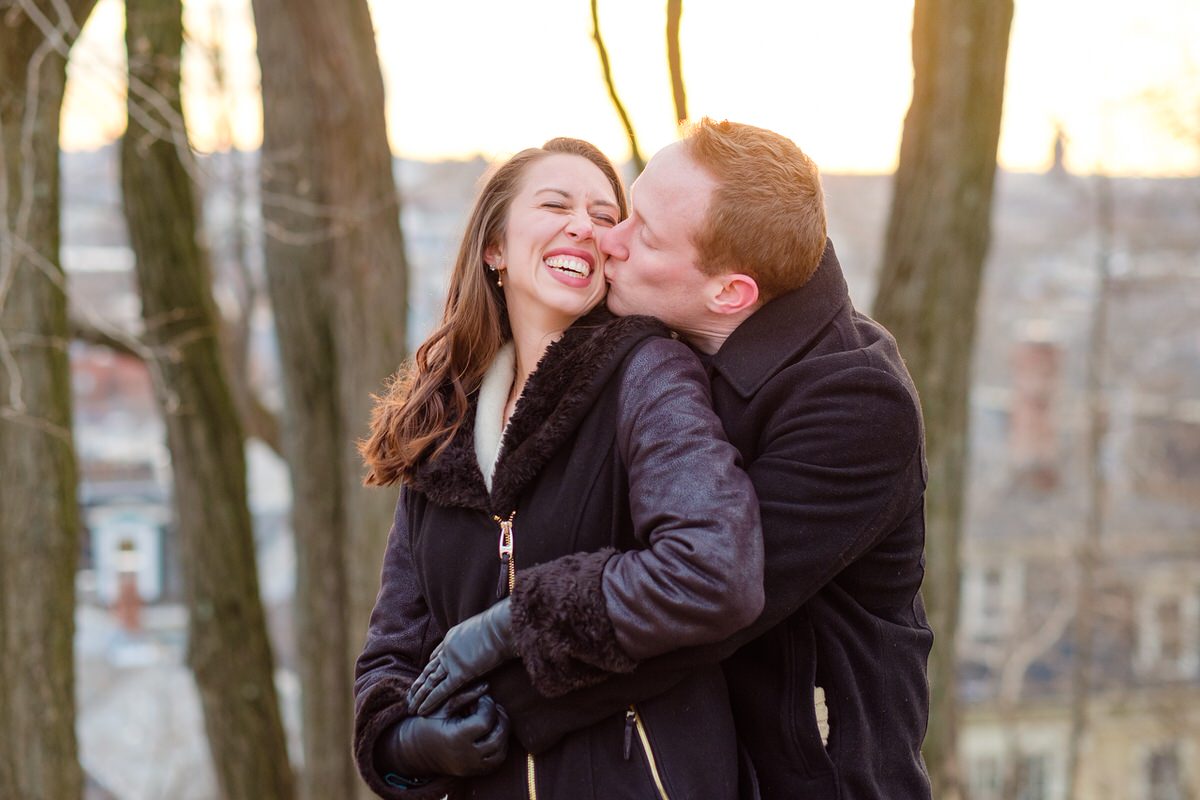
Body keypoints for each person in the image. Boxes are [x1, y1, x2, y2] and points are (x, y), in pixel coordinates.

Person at [480, 119, 934, 800]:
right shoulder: (649, 333)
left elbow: (696, 612)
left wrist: (486, 712)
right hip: (680, 764)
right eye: (628, 210)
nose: (610, 238)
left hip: (808, 777)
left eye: (646, 235)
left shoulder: (859, 406)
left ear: (731, 293)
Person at [353, 137, 766, 799]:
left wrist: (517, 622)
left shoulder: (647, 376)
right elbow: (392, 650)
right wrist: (407, 743)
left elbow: (714, 569)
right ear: (495, 249)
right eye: (554, 204)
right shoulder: (443, 424)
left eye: (605, 216)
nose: (583, 224)